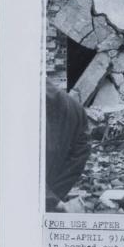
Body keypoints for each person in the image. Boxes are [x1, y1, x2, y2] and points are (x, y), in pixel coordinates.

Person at [46, 78, 91, 212]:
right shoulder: (76, 107)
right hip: (51, 196)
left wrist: (50, 199)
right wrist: (55, 197)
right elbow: (80, 156)